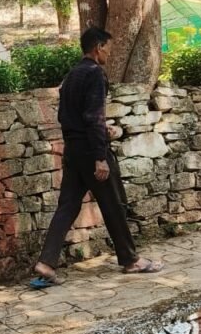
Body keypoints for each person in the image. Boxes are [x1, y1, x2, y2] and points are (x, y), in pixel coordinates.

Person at [33, 26, 163, 286]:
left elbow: (69, 117)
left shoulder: (71, 76)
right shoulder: (94, 74)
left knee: (67, 206)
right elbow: (93, 116)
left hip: (73, 150)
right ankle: (131, 260)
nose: (109, 54)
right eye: (108, 48)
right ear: (98, 47)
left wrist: (102, 129)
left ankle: (46, 263)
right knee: (113, 204)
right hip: (91, 152)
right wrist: (100, 156)